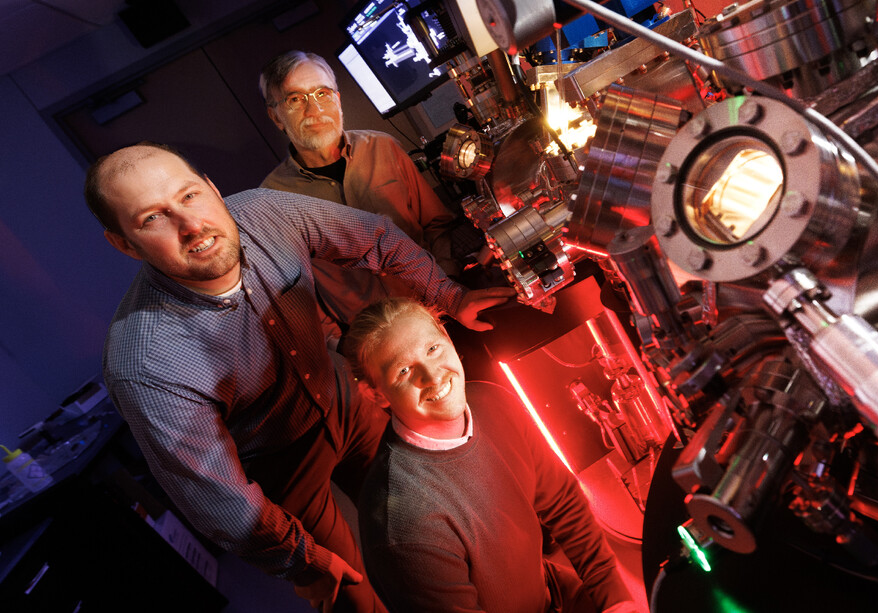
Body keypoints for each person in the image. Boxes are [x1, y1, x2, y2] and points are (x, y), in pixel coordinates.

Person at [85, 142, 514, 613]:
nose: (191, 226)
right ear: (124, 244)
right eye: (152, 218)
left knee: (435, 511)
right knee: (353, 592)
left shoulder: (263, 211)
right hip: (277, 460)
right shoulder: (143, 360)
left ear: (211, 188)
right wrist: (302, 562)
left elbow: (374, 236)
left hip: (344, 398)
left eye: (189, 196)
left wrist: (449, 296)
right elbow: (217, 496)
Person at [342, 297, 640, 613]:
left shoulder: (493, 400)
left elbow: (565, 504)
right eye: (403, 370)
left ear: (447, 338)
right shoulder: (401, 525)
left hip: (552, 592)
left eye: (433, 349)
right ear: (375, 394)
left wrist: (615, 599)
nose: (432, 377)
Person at [259, 50, 459, 345]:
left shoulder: (384, 147)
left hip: (439, 307)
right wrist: (340, 344)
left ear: (337, 100)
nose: (314, 109)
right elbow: (296, 293)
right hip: (372, 342)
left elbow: (437, 224)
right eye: (295, 99)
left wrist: (449, 284)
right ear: (276, 116)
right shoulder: (271, 200)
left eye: (322, 93)